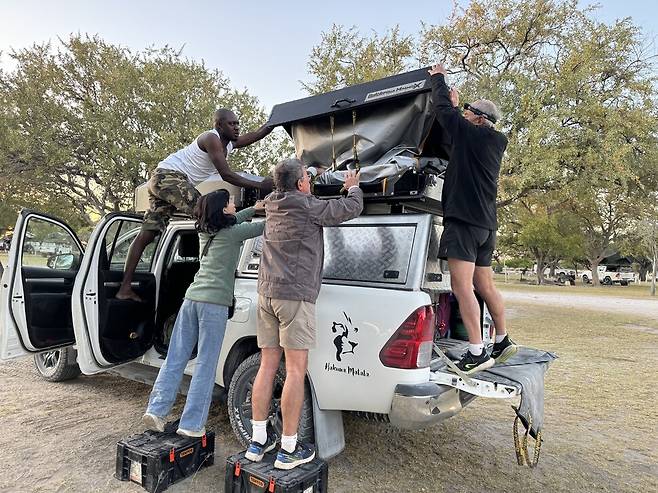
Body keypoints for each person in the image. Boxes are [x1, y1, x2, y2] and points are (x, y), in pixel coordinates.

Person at [245, 159, 363, 469]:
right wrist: (353, 188)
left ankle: (258, 442)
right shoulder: (308, 206)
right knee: (296, 371)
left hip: (266, 294)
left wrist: (312, 171)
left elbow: (295, 183)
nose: (309, 184)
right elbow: (347, 210)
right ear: (300, 185)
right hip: (294, 297)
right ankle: (288, 448)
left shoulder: (272, 202)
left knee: (267, 366)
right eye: (306, 180)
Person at [142, 190, 265, 437]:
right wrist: (274, 208)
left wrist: (252, 208)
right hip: (213, 305)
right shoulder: (233, 235)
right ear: (223, 210)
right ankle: (191, 425)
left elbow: (235, 219)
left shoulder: (204, 231)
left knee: (175, 358)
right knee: (206, 365)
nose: (234, 204)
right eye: (231, 202)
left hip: (191, 299)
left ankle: (156, 410)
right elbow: (263, 228)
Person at [117, 108, 274, 302]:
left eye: (237, 124)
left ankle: (125, 289)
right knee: (208, 213)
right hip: (169, 177)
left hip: (162, 180)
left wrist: (273, 124)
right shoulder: (211, 138)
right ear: (219, 125)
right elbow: (226, 174)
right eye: (231, 124)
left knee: (149, 232)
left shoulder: (229, 143)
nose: (236, 128)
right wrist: (260, 185)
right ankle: (209, 282)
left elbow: (253, 136)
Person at [428, 63, 518, 374]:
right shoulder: (492, 142)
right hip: (486, 226)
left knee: (461, 286)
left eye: (469, 112)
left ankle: (477, 349)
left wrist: (438, 77)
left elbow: (442, 110)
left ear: (479, 119)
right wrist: (457, 108)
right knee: (485, 285)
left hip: (463, 222)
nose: (464, 115)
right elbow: (454, 122)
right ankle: (503, 339)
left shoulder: (470, 133)